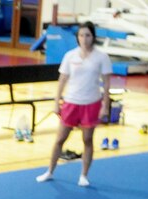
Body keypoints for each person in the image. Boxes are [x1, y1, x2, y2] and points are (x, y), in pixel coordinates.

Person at [35, 21, 112, 187]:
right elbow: (62, 80)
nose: (84, 39)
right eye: (81, 35)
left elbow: (106, 83)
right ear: (77, 37)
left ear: (93, 37)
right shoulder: (70, 56)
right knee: (60, 139)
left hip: (91, 103)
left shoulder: (101, 57)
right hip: (71, 102)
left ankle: (84, 175)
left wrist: (105, 105)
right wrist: (57, 102)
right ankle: (50, 171)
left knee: (88, 139)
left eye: (88, 35)